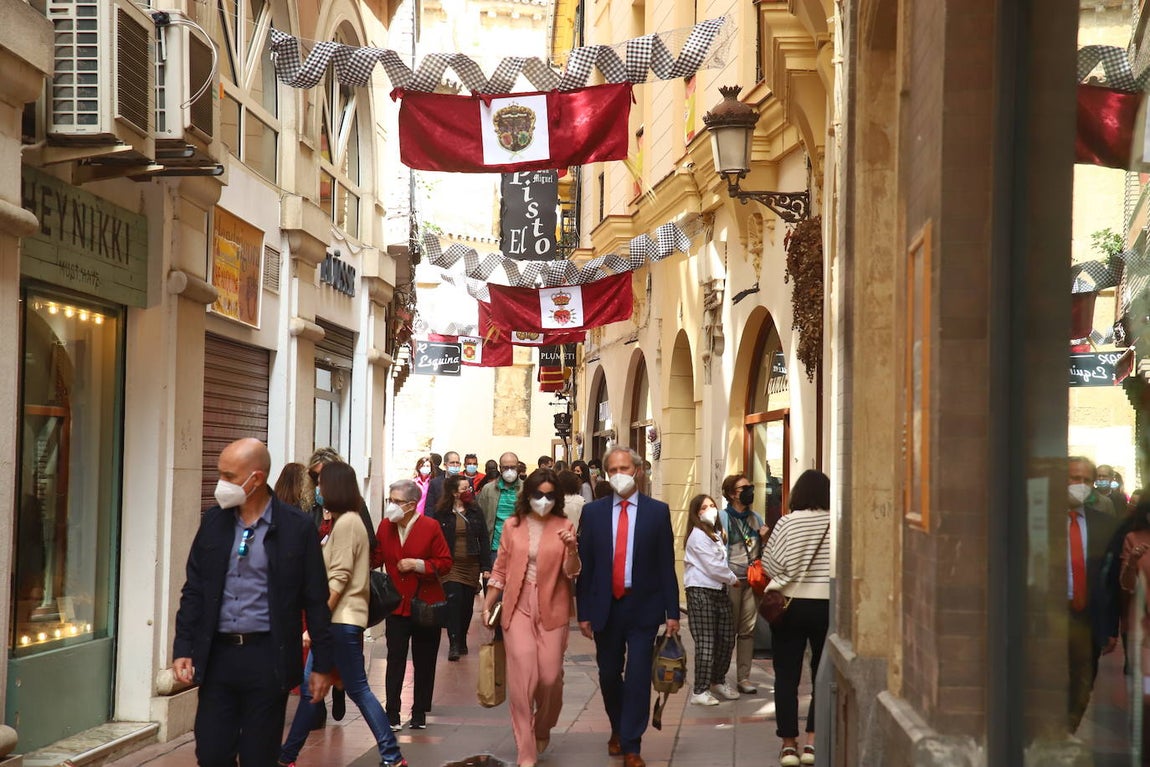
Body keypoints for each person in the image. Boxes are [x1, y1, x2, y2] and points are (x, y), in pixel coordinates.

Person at [172, 438, 335, 767]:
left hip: (267, 657)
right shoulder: (214, 523)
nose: (221, 484)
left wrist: (322, 665)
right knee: (212, 753)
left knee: (258, 756)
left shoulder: (296, 528)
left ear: (256, 478)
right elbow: (195, 590)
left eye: (229, 476)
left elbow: (316, 599)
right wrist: (183, 647)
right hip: (217, 656)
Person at [278, 463, 407, 767]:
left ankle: (391, 755)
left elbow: (339, 578)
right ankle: (287, 757)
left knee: (357, 689)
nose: (317, 490)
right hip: (340, 622)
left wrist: (317, 623)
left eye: (321, 483)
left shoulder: (348, 523)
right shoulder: (343, 522)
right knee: (317, 688)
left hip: (340, 621)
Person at [576, 446, 680, 767]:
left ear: (637, 470)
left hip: (643, 606)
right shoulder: (593, 513)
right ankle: (617, 727)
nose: (619, 474)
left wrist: (673, 612)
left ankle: (632, 743)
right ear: (607, 474)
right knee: (608, 675)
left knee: (637, 676)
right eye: (613, 470)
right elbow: (587, 566)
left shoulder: (657, 512)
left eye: (625, 467)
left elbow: (666, 564)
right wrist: (583, 613)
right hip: (606, 606)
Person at [481, 469, 581, 767]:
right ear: (528, 496)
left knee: (549, 677)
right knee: (524, 678)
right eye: (538, 495)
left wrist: (572, 548)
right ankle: (526, 751)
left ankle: (544, 724)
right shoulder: (512, 526)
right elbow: (499, 570)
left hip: (554, 606)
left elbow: (572, 572)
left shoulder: (565, 525)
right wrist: (488, 605)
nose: (544, 500)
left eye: (550, 495)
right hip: (517, 605)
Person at [762, 469, 831, 767]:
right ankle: (813, 743)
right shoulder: (835, 521)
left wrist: (789, 573)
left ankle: (789, 745)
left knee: (787, 676)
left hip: (789, 605)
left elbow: (769, 563)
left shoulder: (787, 523)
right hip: (827, 604)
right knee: (821, 675)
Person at [377, 479, 453, 730]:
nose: (391, 506)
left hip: (424, 605)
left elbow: (444, 562)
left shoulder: (430, 527)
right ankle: (392, 713)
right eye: (390, 500)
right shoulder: (385, 527)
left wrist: (417, 564)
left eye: (396, 502)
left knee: (424, 660)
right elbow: (375, 556)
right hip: (396, 605)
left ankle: (419, 711)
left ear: (411, 505)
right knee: (395, 658)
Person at [1067, 456, 1119, 733]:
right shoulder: (1042, 519)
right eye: (1075, 479)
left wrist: (1111, 627)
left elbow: (1110, 580)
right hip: (1055, 614)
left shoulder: (1102, 524)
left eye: (1087, 480)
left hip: (1088, 615)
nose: (1082, 485)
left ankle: (1068, 729)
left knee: (1084, 681)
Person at [683, 493, 738, 706]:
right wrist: (732, 579)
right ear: (696, 513)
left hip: (718, 591)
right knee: (706, 642)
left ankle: (717, 680)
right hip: (701, 591)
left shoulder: (714, 533)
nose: (710, 510)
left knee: (726, 638)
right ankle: (700, 690)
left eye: (712, 505)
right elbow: (713, 566)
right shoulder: (697, 536)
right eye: (704, 507)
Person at [719, 473, 771, 694]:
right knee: (727, 631)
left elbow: (765, 551)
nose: (749, 491)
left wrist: (766, 537)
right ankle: (719, 676)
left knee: (747, 631)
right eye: (743, 488)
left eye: (750, 487)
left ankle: (744, 677)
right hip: (732, 582)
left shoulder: (756, 518)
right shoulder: (721, 518)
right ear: (732, 494)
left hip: (752, 581)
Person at [434, 473, 491, 661]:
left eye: (469, 488)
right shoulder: (441, 513)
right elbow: (435, 540)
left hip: (471, 564)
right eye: (464, 489)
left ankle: (462, 638)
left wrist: (485, 566)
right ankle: (453, 643)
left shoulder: (475, 512)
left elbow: (483, 538)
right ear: (454, 493)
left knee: (466, 606)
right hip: (450, 565)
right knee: (454, 602)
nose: (468, 492)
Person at [479, 452, 525, 554]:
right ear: (500, 468)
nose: (509, 471)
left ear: (518, 467)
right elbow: (481, 518)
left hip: (520, 548)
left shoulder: (527, 489)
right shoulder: (488, 489)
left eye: (513, 467)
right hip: (495, 548)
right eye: (505, 468)